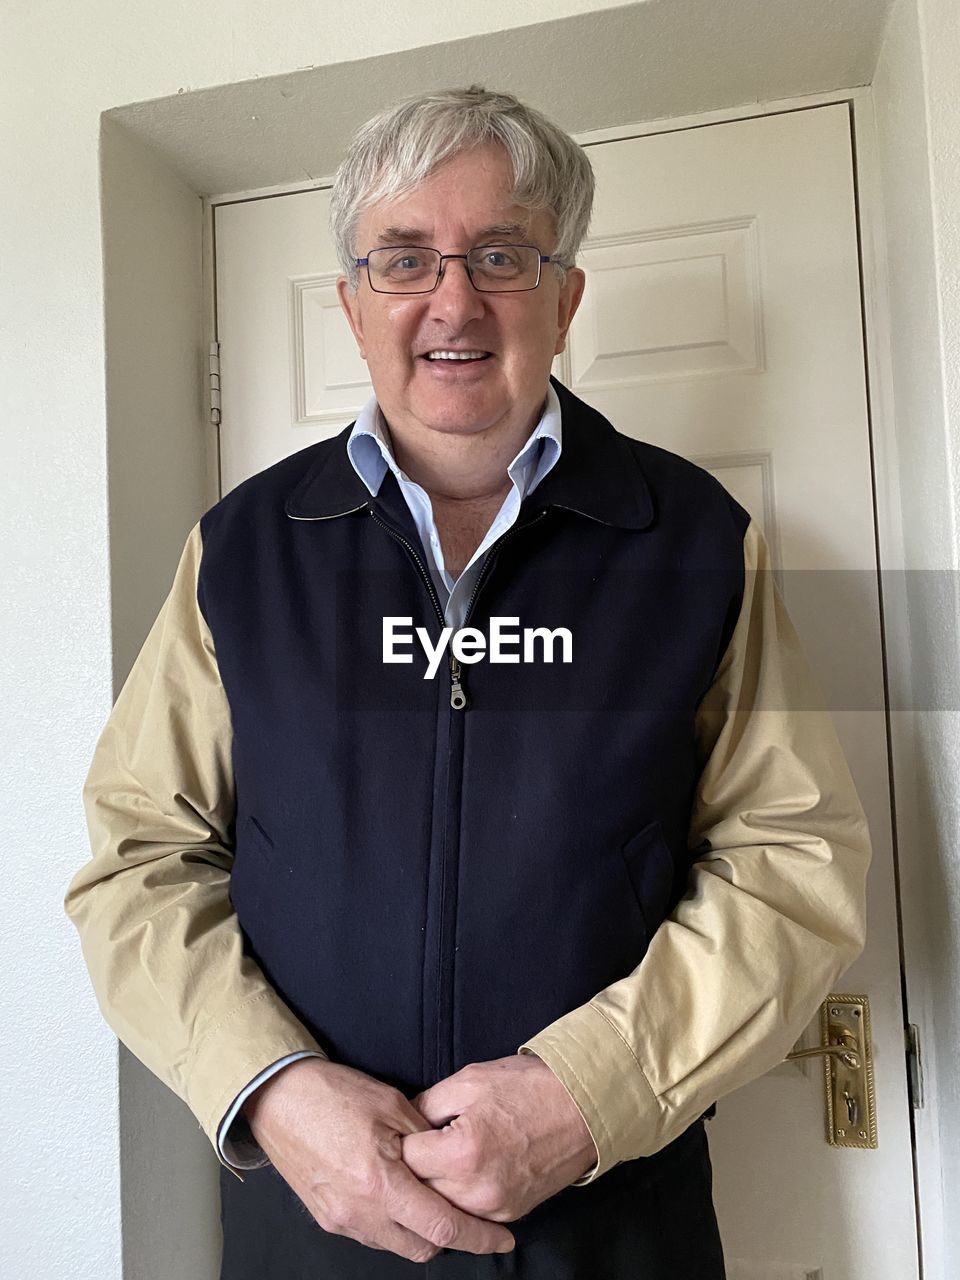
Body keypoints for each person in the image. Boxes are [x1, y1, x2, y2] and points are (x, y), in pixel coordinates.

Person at [64, 85, 871, 1279]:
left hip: (616, 1233)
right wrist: (272, 1090)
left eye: (500, 253)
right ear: (351, 303)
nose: (453, 299)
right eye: (404, 259)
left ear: (566, 294)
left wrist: (586, 1092)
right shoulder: (239, 553)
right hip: (316, 1236)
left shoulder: (698, 541)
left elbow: (793, 865)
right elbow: (139, 860)